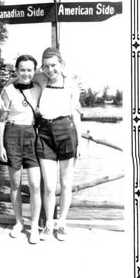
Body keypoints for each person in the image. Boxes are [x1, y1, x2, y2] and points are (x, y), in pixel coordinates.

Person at [34, 47, 81, 241]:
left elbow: (75, 113)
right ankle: (48, 224)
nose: (50, 69)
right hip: (44, 133)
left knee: (66, 182)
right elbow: (22, 76)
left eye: (54, 65)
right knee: (50, 187)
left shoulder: (71, 84)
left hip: (66, 130)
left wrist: (79, 143)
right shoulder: (41, 80)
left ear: (62, 65)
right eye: (46, 66)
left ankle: (61, 223)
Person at [0, 55, 42, 244]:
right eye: (22, 70)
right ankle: (18, 222)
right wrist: (1, 146)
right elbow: (1, 120)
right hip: (12, 135)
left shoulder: (39, 89)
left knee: (35, 185)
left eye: (30, 70)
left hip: (32, 136)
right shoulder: (8, 90)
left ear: (34, 71)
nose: (26, 73)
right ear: (16, 71)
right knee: (15, 184)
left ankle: (34, 227)